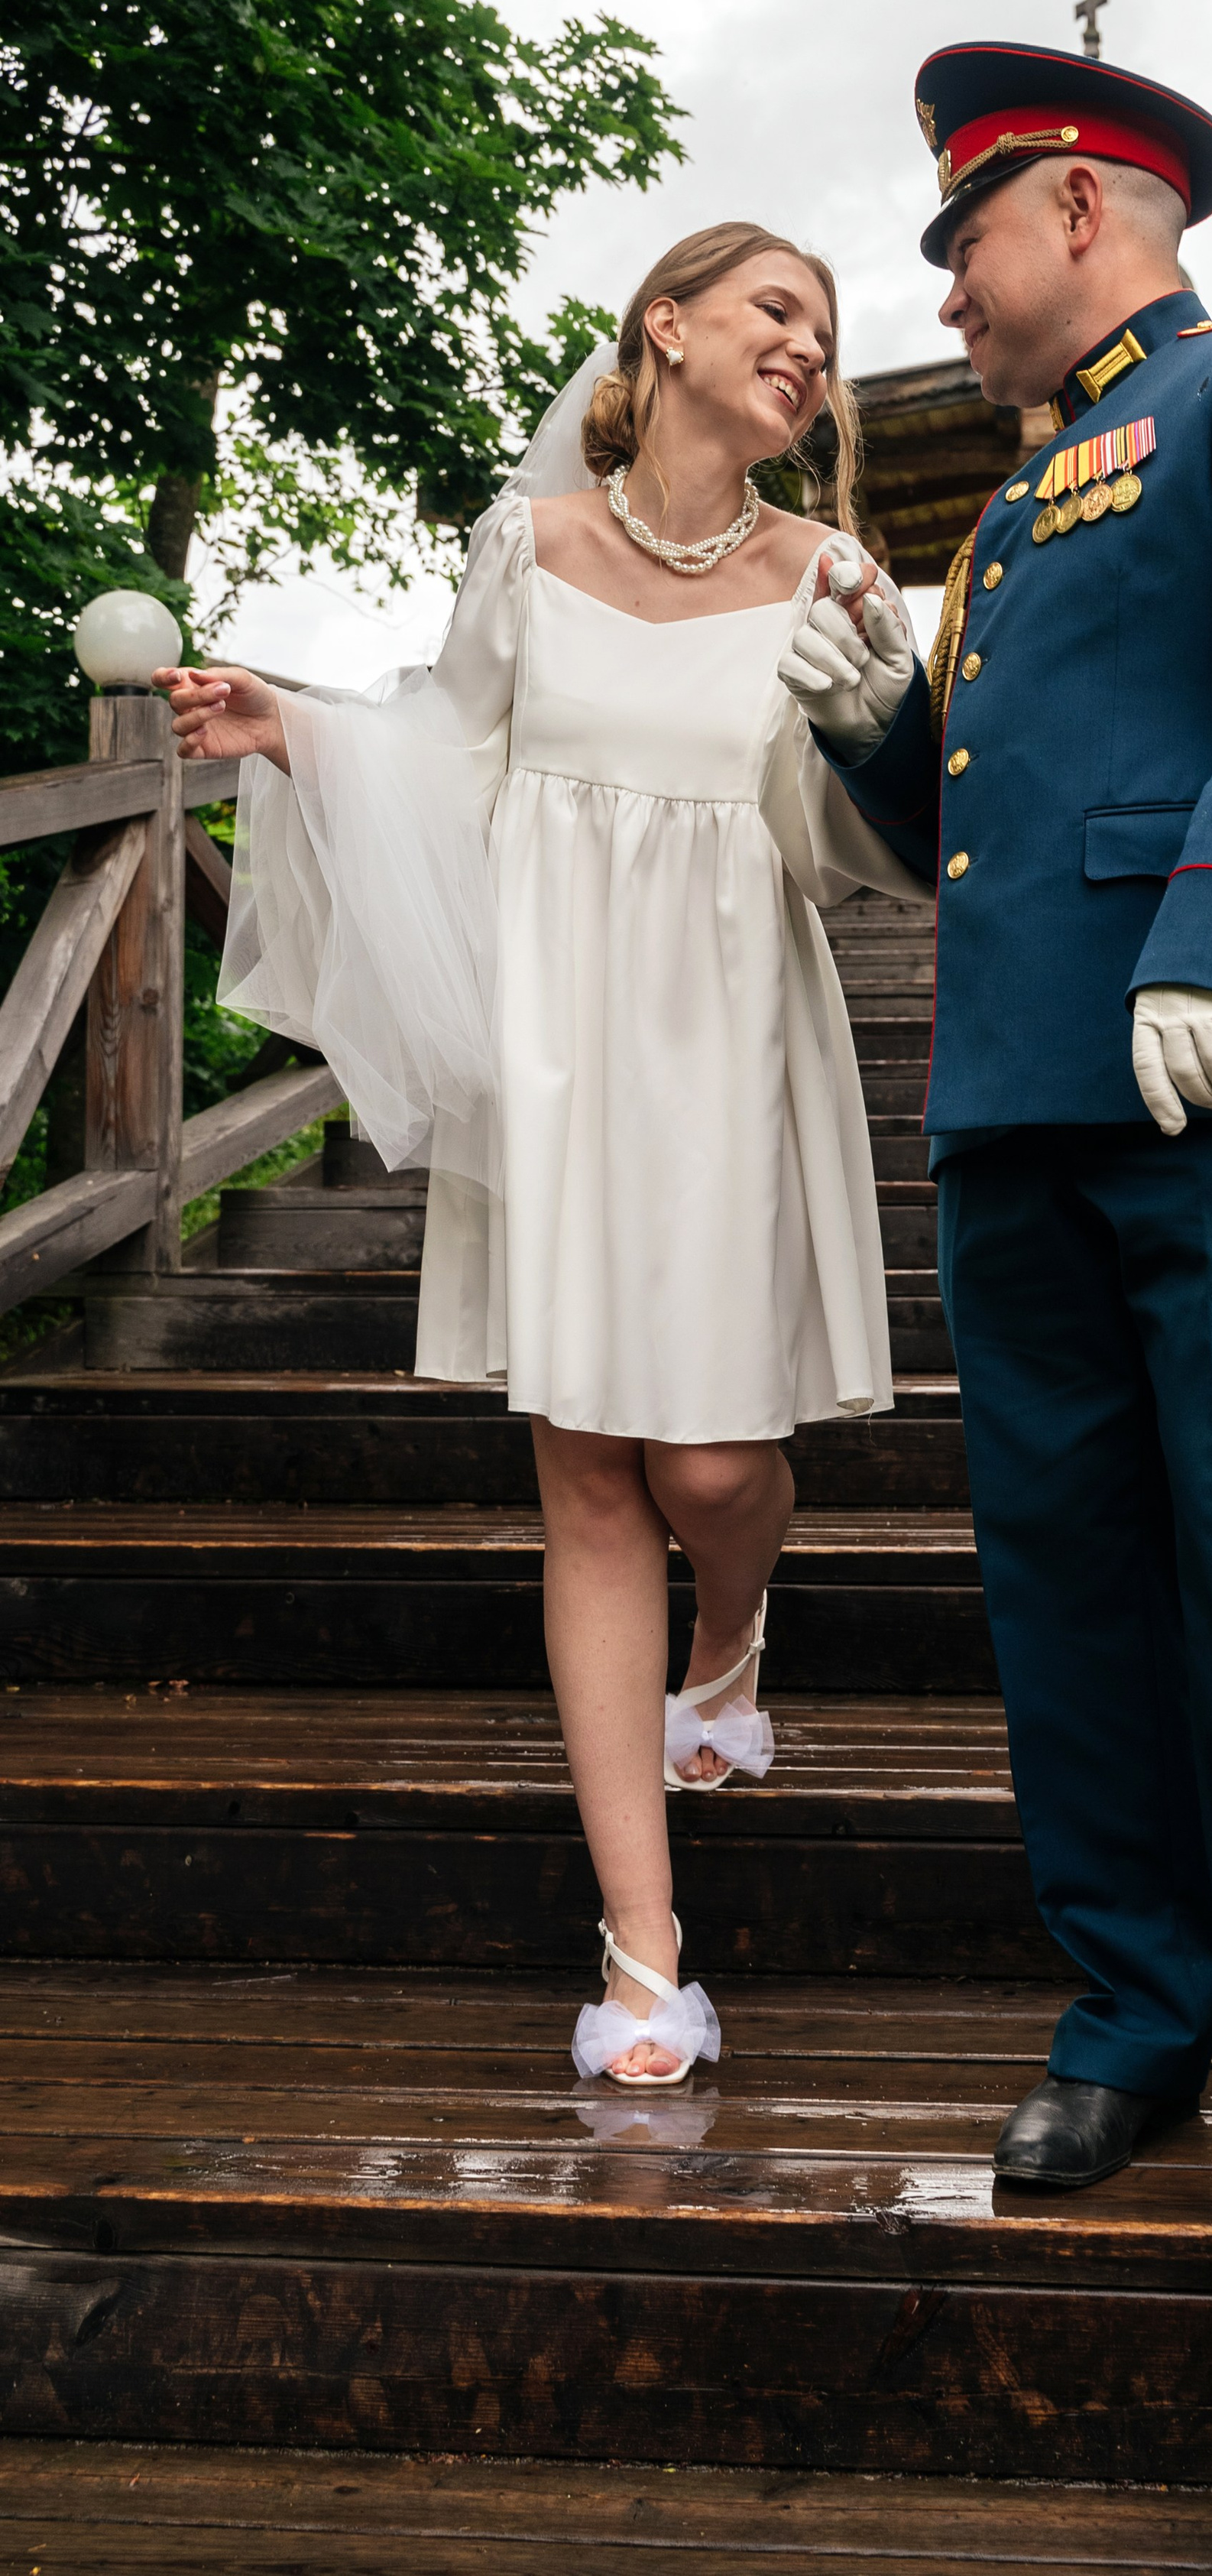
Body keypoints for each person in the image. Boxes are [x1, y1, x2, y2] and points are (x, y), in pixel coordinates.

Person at [776, 46, 1212, 2292]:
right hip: (1023, 1099)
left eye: (960, 239)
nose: (944, 293)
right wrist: (884, 728)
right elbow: (969, 829)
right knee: (1064, 1592)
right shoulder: (1012, 506)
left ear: (1079, 204)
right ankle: (1139, 2013)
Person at [159, 222, 928, 2088]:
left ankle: (729, 1645)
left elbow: (867, 859)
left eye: (825, 333)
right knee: (589, 1476)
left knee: (717, 1462)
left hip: (732, 1021)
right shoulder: (530, 546)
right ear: (661, 329)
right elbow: (456, 760)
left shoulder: (830, 572)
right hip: (563, 1037)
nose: (807, 348)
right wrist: (300, 736)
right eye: (774, 310)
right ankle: (646, 1957)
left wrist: (873, 716)